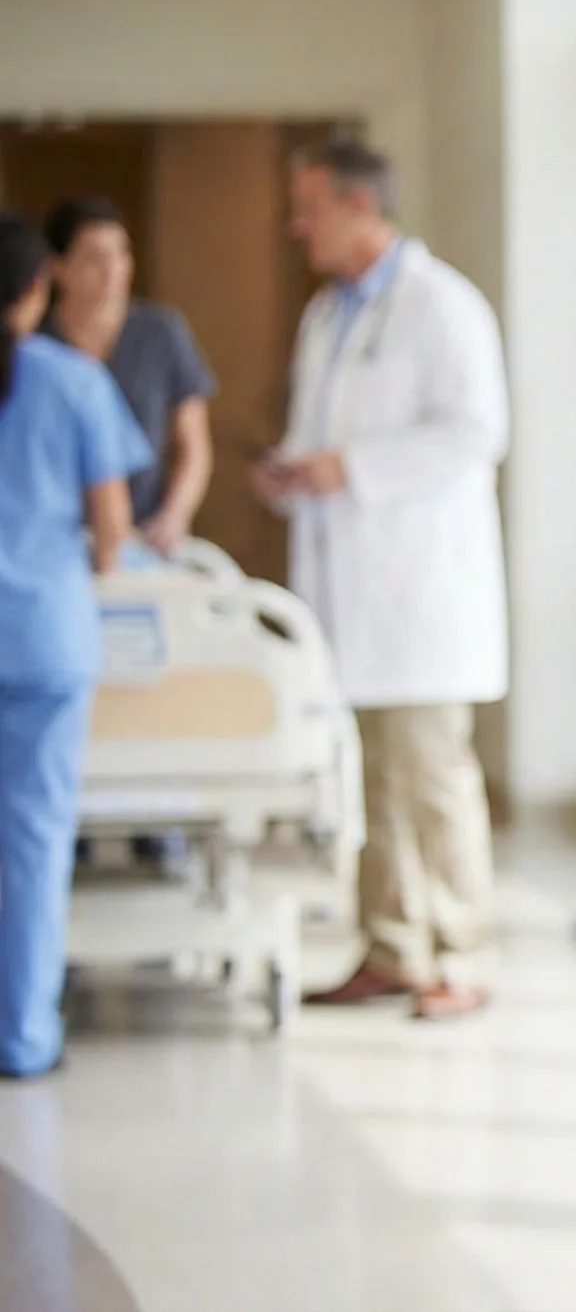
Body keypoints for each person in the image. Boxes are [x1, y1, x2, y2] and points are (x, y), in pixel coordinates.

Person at [257, 139, 510, 1022]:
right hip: (352, 597)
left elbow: (477, 431)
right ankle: (393, 947)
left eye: (309, 207)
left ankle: (462, 953)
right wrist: (297, 475)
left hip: (424, 601)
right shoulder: (327, 316)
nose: (298, 226)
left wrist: (353, 469)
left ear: (360, 205)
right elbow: (321, 440)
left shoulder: (443, 308)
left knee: (431, 779)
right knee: (374, 788)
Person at [0, 211, 151, 1078]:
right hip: (43, 641)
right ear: (38, 287)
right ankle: (22, 1036)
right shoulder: (72, 384)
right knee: (31, 842)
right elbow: (110, 531)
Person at [42, 196, 220, 560]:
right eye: (94, 258)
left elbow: (194, 445)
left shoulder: (159, 332)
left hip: (143, 536)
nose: (113, 271)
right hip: (51, 540)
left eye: (121, 254)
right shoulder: (36, 345)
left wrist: (174, 516)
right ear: (58, 267)